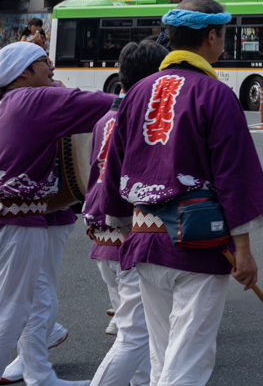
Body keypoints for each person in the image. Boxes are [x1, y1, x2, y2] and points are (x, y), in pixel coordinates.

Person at [96, 0, 263, 386]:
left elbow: (115, 165)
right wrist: (243, 249)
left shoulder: (138, 91)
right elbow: (234, 174)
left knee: (164, 355)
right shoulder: (215, 93)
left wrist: (122, 224)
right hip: (199, 243)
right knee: (188, 359)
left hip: (144, 240)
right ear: (212, 36)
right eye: (222, 35)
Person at [0, 40, 112, 386]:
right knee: (14, 308)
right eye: (44, 63)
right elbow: (109, 103)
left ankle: (38, 373)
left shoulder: (7, 101)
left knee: (22, 300)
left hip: (20, 215)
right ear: (23, 73)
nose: (52, 68)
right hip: (19, 219)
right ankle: (35, 371)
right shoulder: (33, 99)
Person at [82, 39, 165, 386]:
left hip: (103, 233)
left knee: (139, 332)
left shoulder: (105, 120)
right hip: (131, 233)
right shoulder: (145, 119)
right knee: (135, 334)